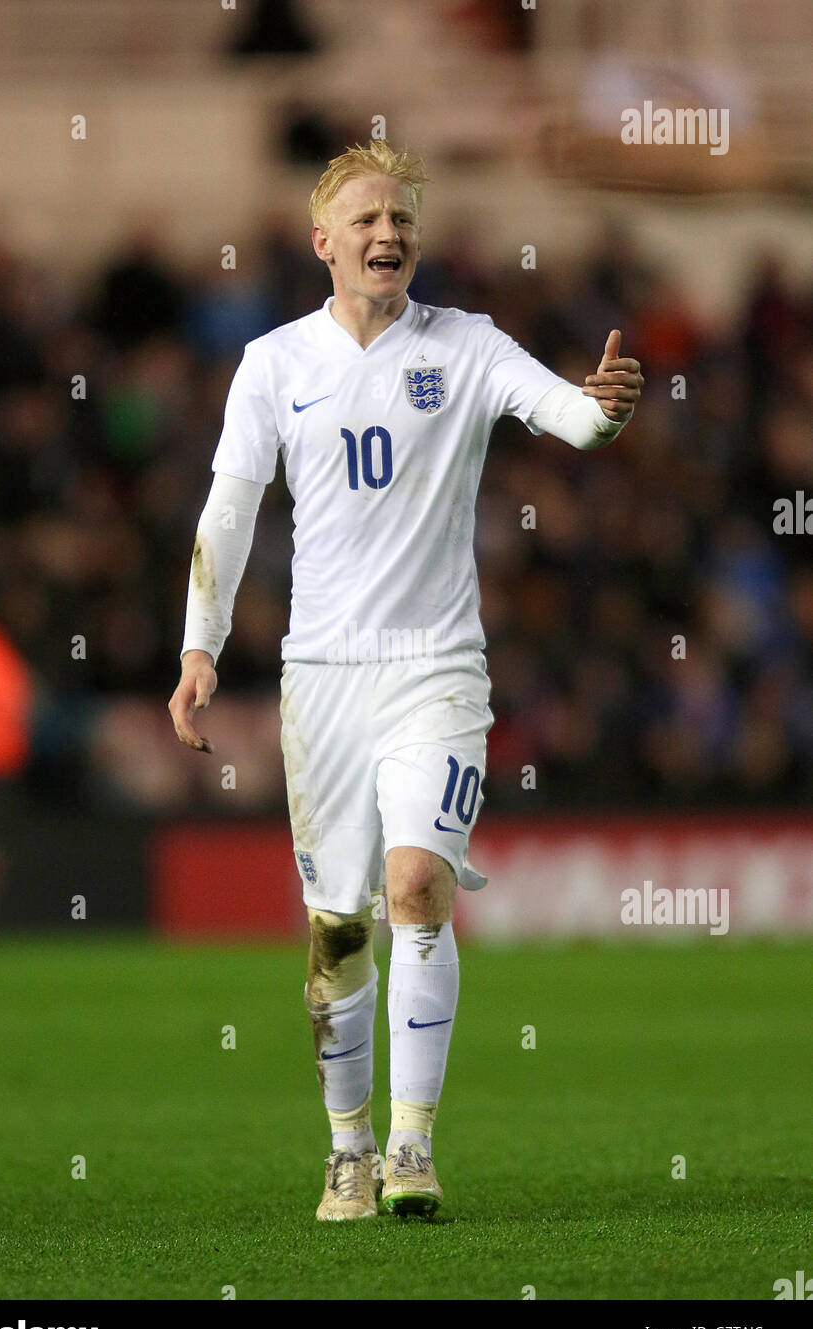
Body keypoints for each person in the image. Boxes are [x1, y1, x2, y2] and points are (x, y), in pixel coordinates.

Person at [168, 140, 643, 1220]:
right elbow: (228, 515)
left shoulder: (465, 345)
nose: (389, 236)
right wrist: (199, 648)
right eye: (367, 220)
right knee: (336, 926)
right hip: (322, 677)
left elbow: (571, 416)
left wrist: (605, 405)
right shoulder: (273, 365)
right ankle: (346, 1147)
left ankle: (412, 1147)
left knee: (415, 885)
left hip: (435, 666)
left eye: (403, 220)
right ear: (321, 241)